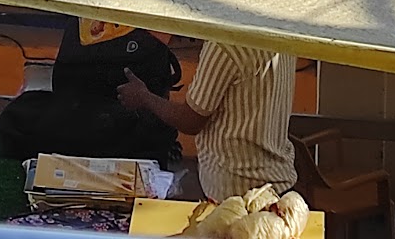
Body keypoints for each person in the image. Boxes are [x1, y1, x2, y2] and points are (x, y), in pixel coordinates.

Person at [117, 41, 296, 202]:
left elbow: (191, 120)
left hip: (235, 192)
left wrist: (144, 97)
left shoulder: (225, 45)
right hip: (279, 182)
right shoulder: (282, 33)